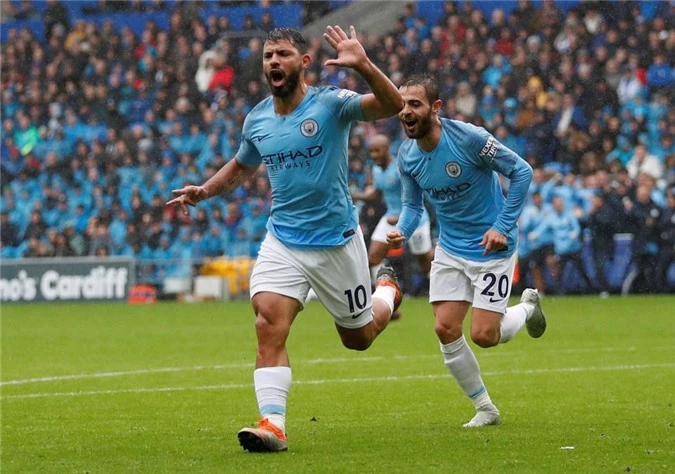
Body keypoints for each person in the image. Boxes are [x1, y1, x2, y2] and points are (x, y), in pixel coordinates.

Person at [167, 27, 404, 452]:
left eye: (283, 54)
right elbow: (242, 166)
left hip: (335, 241)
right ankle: (273, 425)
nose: (274, 61)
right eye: (268, 55)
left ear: (303, 63)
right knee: (267, 322)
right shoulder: (257, 119)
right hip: (284, 240)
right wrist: (204, 190)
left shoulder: (331, 104)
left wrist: (364, 65)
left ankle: (386, 291)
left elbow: (392, 105)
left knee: (359, 338)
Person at [386, 74, 547, 428]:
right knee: (445, 328)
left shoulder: (469, 138)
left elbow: (521, 172)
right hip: (450, 247)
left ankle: (527, 307)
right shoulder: (407, 155)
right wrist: (403, 230)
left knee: (484, 336)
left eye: (415, 104)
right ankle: (485, 408)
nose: (406, 112)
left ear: (436, 108)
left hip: (493, 247)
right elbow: (412, 206)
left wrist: (502, 226)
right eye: (401, 104)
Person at [351, 134, 434, 290]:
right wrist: (352, 195)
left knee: (424, 263)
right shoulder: (376, 170)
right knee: (373, 257)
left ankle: (438, 282)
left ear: (387, 150)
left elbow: (415, 197)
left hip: (415, 220)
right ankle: (385, 297)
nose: (374, 155)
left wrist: (400, 217)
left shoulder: (400, 169)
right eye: (371, 151)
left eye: (377, 151)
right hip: (390, 218)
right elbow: (376, 193)